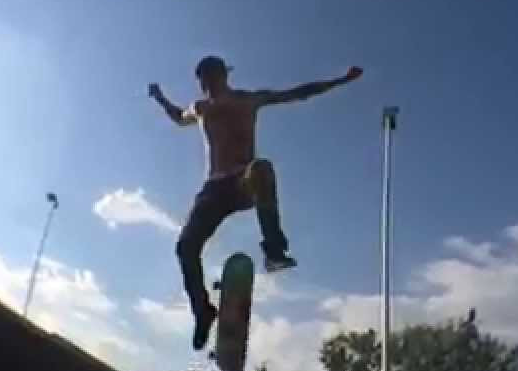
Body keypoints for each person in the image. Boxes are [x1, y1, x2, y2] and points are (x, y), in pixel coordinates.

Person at [148, 59, 364, 351]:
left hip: (242, 182)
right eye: (203, 81)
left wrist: (339, 81)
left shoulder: (248, 100)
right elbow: (178, 117)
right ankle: (202, 311)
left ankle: (274, 250)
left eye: (212, 78)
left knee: (261, 168)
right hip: (213, 188)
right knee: (185, 247)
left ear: (224, 76)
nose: (208, 86)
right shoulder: (200, 108)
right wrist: (160, 98)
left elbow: (297, 93)